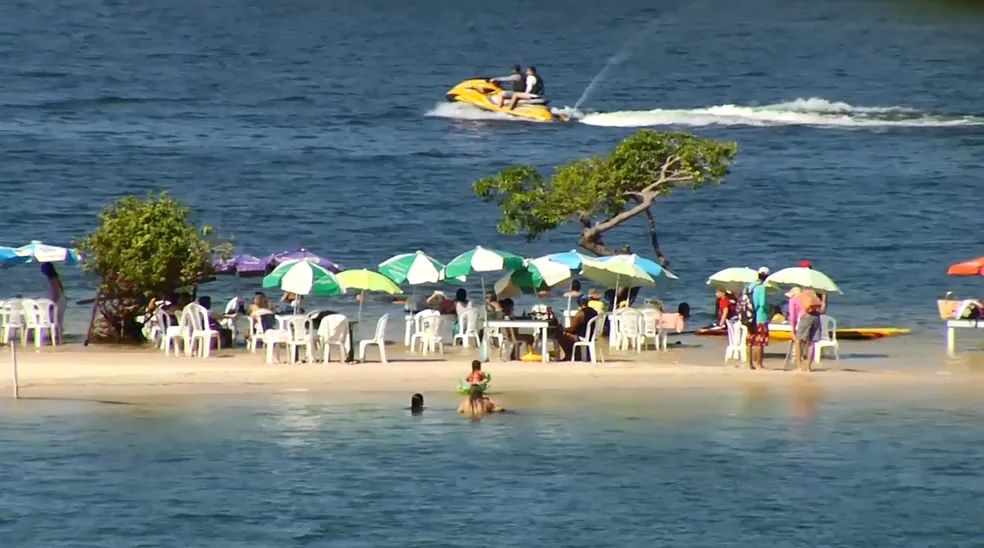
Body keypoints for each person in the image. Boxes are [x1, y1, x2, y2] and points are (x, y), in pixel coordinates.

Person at [558, 295, 599, 361]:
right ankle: (578, 354)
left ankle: (569, 355)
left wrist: (562, 328)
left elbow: (572, 329)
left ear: (579, 303)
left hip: (582, 337)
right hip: (591, 336)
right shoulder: (594, 312)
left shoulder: (580, 314)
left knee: (560, 334)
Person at [793, 287, 823, 371]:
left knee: (798, 340)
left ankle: (799, 366)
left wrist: (793, 327)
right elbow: (821, 307)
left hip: (806, 316)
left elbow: (794, 313)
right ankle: (808, 367)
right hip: (816, 316)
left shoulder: (801, 295)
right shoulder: (815, 292)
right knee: (811, 342)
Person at [747, 267, 770, 370]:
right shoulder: (762, 287)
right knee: (759, 342)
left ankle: (749, 364)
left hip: (748, 317)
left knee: (750, 341)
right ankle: (759, 364)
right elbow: (762, 303)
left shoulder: (749, 285)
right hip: (760, 317)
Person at [40, 263, 66, 338]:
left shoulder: (53, 279)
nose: (41, 270)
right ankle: (56, 337)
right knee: (55, 320)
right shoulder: (51, 278)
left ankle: (57, 337)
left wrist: (51, 304)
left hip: (58, 301)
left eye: (42, 268)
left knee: (55, 320)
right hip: (59, 300)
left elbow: (56, 294)